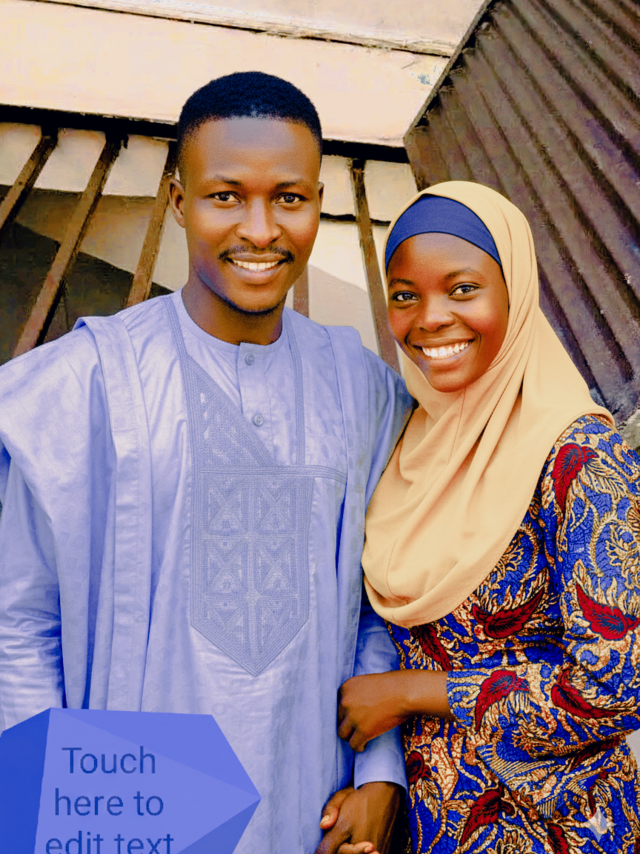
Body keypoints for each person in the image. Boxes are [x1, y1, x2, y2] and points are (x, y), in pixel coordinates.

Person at [0, 72, 413, 854]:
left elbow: (381, 607)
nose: (260, 229)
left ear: (318, 203)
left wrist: (380, 773)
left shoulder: (360, 388)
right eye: (226, 196)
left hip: (306, 807)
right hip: (124, 808)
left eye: (288, 198)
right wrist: (51, 826)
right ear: (179, 201)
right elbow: (17, 626)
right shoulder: (87, 383)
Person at [336, 181, 640, 852]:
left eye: (463, 289)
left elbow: (619, 682)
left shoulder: (579, 457)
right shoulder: (411, 445)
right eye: (404, 296)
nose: (430, 318)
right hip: (432, 822)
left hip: (557, 827)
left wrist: (417, 692)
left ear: (515, 293)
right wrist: (377, 783)